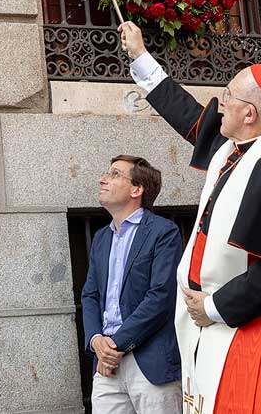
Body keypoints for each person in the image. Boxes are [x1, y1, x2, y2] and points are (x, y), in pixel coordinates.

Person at [119, 21, 261, 414]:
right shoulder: (234, 147)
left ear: (248, 113)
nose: (219, 102)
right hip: (209, 321)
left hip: (253, 332)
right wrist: (141, 57)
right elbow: (187, 116)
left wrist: (211, 307)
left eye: (228, 96)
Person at [81, 154, 183, 413]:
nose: (103, 179)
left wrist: (115, 345)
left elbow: (160, 297)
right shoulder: (101, 237)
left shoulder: (163, 232)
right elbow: (90, 295)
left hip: (150, 361)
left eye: (115, 174)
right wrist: (96, 340)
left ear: (137, 189)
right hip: (107, 366)